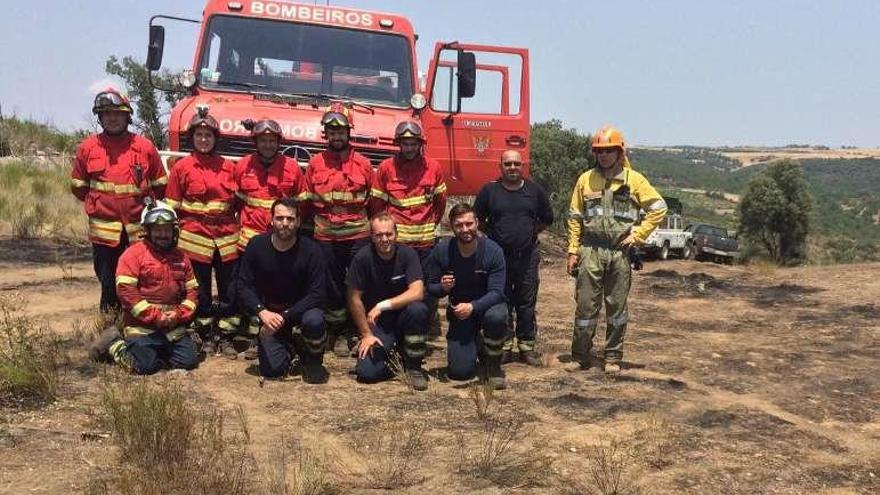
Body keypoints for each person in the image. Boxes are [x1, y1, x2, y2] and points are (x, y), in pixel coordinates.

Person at [566, 125, 667, 374]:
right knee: (586, 307)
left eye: (609, 150)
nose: (604, 155)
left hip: (619, 252)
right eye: (599, 150)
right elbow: (574, 217)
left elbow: (659, 207)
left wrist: (638, 235)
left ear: (620, 152)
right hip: (590, 251)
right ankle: (580, 355)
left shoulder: (635, 180)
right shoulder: (585, 179)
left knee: (616, 308)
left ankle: (612, 356)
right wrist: (572, 251)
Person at [70, 88, 167, 312]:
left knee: (142, 278)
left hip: (139, 231)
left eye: (117, 113)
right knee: (108, 281)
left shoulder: (144, 147)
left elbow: (161, 185)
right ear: (100, 117)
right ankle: (110, 327)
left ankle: (141, 324)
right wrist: (101, 205)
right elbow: (78, 187)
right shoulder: (87, 148)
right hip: (104, 235)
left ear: (127, 116)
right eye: (106, 113)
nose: (112, 118)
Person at [89, 200, 200, 375]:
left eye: (167, 230)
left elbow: (193, 291)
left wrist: (179, 315)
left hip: (172, 325)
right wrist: (155, 316)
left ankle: (157, 351)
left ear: (174, 231)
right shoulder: (133, 255)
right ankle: (115, 344)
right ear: (147, 231)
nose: (163, 234)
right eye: (157, 230)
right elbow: (127, 293)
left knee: (189, 361)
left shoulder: (182, 257)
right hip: (142, 327)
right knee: (144, 367)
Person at [164, 106, 241, 357]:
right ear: (192, 138)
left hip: (227, 239)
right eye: (199, 136)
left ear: (216, 138)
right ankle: (206, 334)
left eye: (208, 136)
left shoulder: (230, 168)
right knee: (201, 291)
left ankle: (228, 335)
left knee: (230, 290)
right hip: (195, 238)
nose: (204, 140)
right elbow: (172, 207)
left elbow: (238, 202)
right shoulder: (181, 168)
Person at [232, 118, 308, 356]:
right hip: (250, 241)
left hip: (281, 241)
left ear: (278, 142)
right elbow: (234, 202)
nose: (267, 144)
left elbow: (301, 206)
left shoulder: (293, 168)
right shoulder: (242, 166)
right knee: (250, 288)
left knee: (275, 290)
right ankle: (254, 335)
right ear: (256, 142)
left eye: (271, 140)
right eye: (263, 140)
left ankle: (276, 334)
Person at [303, 105, 374, 356]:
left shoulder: (364, 164)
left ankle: (355, 330)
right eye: (331, 131)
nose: (336, 136)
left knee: (357, 284)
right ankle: (335, 330)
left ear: (348, 132)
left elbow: (373, 202)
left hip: (358, 235)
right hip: (326, 235)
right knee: (331, 284)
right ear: (326, 134)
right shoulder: (315, 164)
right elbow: (306, 201)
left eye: (340, 131)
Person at [474, 149, 553, 366]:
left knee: (526, 303)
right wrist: (493, 236)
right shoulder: (490, 191)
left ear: (522, 166)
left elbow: (548, 218)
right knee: (502, 301)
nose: (512, 168)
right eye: (507, 164)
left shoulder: (535, 191)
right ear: (500, 166)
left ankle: (527, 348)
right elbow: (477, 219)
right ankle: (505, 347)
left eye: (516, 164)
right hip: (499, 259)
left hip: (527, 256)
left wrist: (530, 233)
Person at [236, 198, 328, 383]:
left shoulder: (312, 250)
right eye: (279, 218)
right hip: (270, 315)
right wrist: (261, 312)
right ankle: (291, 346)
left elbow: (317, 293)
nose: (285, 223)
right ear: (271, 220)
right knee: (272, 371)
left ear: (299, 222)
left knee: (315, 320)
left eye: (290, 218)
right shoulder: (256, 245)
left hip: (301, 312)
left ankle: (313, 360)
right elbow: (243, 285)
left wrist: (285, 316)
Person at [369, 121, 447, 339]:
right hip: (398, 244)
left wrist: (429, 225)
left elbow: (440, 204)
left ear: (420, 144)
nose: (410, 148)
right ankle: (395, 325)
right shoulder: (386, 168)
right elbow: (377, 206)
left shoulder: (434, 167)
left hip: (425, 242)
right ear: (398, 145)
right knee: (397, 285)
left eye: (414, 144)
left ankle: (425, 322)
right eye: (406, 144)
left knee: (429, 286)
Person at [425, 204, 508, 390]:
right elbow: (430, 287)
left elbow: (497, 292)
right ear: (451, 226)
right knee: (459, 373)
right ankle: (476, 343)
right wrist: (443, 288)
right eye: (459, 225)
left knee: (497, 317)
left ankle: (493, 365)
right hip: (460, 312)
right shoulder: (442, 251)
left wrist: (473, 306)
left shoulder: (493, 251)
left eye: (469, 223)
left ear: (477, 223)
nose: (465, 229)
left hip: (488, 307)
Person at [347, 213, 429, 390]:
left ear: (396, 234)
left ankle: (414, 367)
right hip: (378, 324)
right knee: (366, 374)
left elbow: (417, 292)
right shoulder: (362, 258)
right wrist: (366, 334)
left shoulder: (408, 254)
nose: (384, 239)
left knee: (418, 309)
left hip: (404, 318)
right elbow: (354, 299)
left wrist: (382, 305)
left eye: (389, 234)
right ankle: (397, 357)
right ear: (372, 236)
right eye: (378, 235)